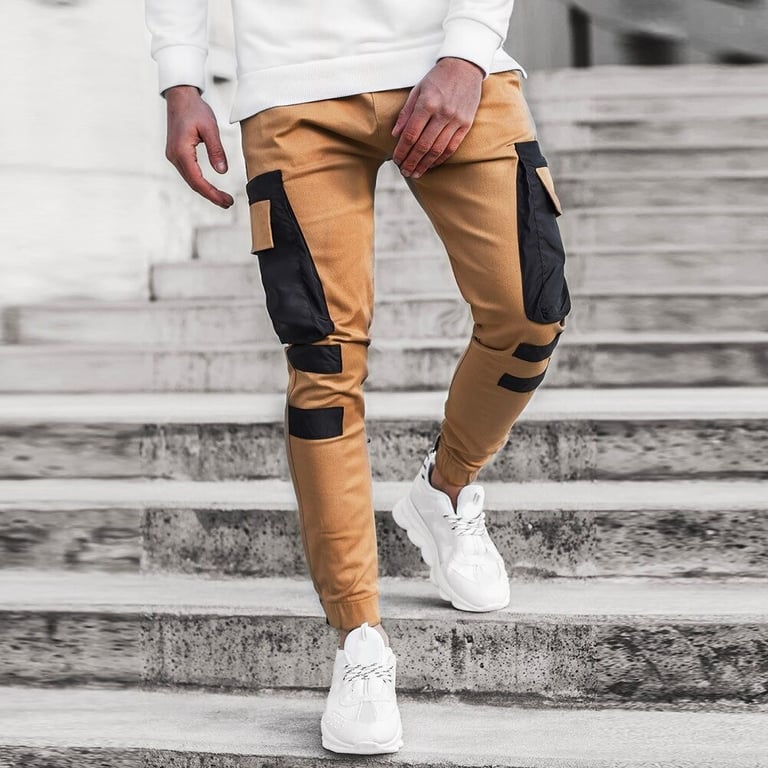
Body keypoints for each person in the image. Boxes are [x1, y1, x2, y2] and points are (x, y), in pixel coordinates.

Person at [145, 0, 570, 755]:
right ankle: (359, 640)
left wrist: (468, 50)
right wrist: (181, 79)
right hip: (290, 86)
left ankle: (444, 491)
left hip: (450, 62)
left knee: (530, 314)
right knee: (323, 363)